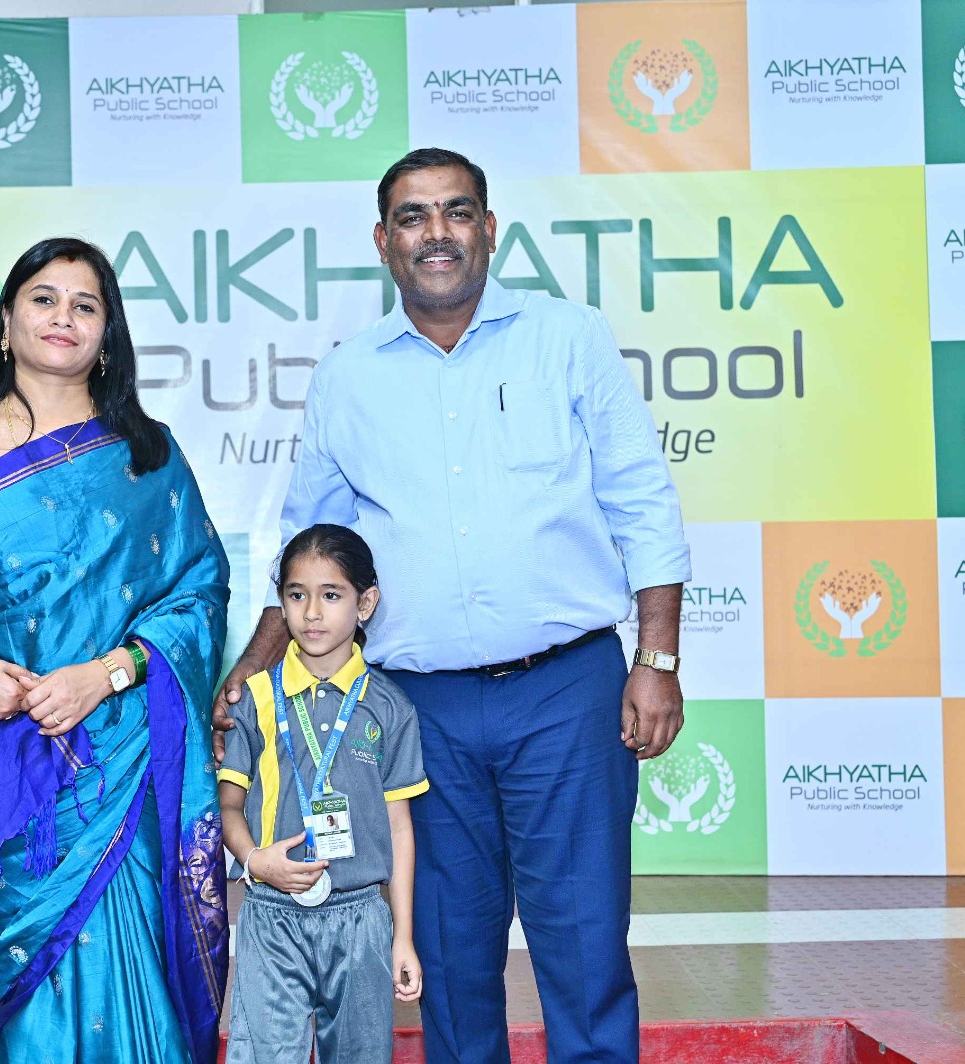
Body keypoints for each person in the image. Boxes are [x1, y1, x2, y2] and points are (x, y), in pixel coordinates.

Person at [216, 149, 691, 1064]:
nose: (437, 233)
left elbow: (642, 499)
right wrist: (254, 667)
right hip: (413, 710)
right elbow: (312, 543)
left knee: (585, 941)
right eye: (413, 216)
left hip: (567, 694)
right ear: (383, 241)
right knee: (446, 949)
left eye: (457, 211)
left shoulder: (567, 337)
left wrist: (657, 659)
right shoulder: (350, 375)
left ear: (489, 229)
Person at [0, 237, 230, 1064]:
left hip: (124, 754)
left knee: (133, 965)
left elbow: (200, 593)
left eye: (85, 305)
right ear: (6, 322)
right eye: (44, 298)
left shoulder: (149, 454)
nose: (64, 316)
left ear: (108, 334)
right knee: (18, 974)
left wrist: (107, 675)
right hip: (1, 755)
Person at [219, 524, 426, 1064]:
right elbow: (229, 806)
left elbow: (399, 828)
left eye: (331, 595)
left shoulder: (391, 707)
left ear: (366, 603)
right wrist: (255, 860)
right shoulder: (254, 698)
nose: (312, 613)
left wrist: (402, 936)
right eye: (296, 595)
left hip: (362, 918)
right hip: (271, 913)